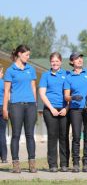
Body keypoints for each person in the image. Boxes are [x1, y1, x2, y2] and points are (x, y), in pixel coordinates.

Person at [64, 52, 87, 173]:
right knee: (76, 137)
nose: (80, 60)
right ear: (72, 62)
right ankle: (75, 163)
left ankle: (86, 163)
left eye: (80, 58)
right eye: (76, 58)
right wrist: (73, 98)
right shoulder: (69, 77)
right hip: (75, 110)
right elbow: (66, 96)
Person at [2, 45, 37, 173]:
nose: (28, 57)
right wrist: (5, 108)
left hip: (30, 105)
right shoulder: (10, 70)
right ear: (19, 54)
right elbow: (6, 91)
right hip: (15, 105)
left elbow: (33, 87)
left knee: (30, 135)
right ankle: (16, 164)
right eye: (27, 54)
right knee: (15, 135)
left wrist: (34, 103)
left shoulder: (31, 69)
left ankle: (32, 164)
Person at [39, 52, 70, 172]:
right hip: (49, 109)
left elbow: (70, 93)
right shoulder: (45, 75)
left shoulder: (67, 74)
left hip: (64, 109)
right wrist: (51, 108)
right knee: (52, 136)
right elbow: (42, 93)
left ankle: (64, 164)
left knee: (64, 136)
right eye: (53, 61)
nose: (55, 63)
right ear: (50, 62)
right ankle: (52, 165)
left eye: (57, 61)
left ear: (61, 62)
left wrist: (66, 108)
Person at [0, 64, 8, 163]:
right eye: (2, 72)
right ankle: (4, 157)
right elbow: (9, 97)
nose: (2, 74)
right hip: (3, 107)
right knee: (2, 133)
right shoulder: (4, 83)